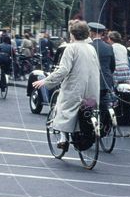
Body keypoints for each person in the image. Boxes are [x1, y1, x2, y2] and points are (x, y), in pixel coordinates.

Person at [33, 20, 100, 151]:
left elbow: (63, 70)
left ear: (73, 34)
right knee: (86, 110)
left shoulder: (71, 48)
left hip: (75, 89)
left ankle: (63, 139)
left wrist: (46, 81)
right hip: (92, 91)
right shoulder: (91, 48)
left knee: (61, 107)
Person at [89, 23, 115, 108]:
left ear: (92, 33)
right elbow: (112, 66)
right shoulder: (109, 47)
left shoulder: (89, 47)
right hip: (106, 81)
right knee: (104, 103)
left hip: (91, 81)